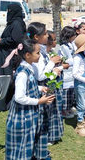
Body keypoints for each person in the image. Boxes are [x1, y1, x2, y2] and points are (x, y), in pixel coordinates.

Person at [5, 39, 55, 160]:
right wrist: (39, 101)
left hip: (28, 114)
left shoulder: (29, 68)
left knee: (28, 140)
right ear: (28, 55)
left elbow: (28, 85)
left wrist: (39, 88)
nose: (40, 55)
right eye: (38, 53)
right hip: (22, 116)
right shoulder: (23, 73)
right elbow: (19, 97)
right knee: (21, 143)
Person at [28, 22, 62, 153]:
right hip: (41, 89)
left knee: (50, 113)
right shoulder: (35, 51)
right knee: (43, 116)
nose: (47, 36)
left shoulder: (41, 49)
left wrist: (53, 69)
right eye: (45, 33)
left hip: (47, 86)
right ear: (37, 37)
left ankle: (50, 136)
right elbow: (40, 75)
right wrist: (52, 65)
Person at [0, 3, 26, 112]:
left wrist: (2, 41)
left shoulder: (16, 23)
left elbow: (16, 39)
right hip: (7, 53)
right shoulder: (15, 22)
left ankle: (4, 103)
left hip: (9, 55)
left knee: (6, 78)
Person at [59, 26, 77, 119]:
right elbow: (64, 60)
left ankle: (69, 108)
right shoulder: (63, 47)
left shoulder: (72, 45)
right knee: (65, 93)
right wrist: (74, 60)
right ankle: (64, 110)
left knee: (71, 92)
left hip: (72, 72)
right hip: (67, 72)